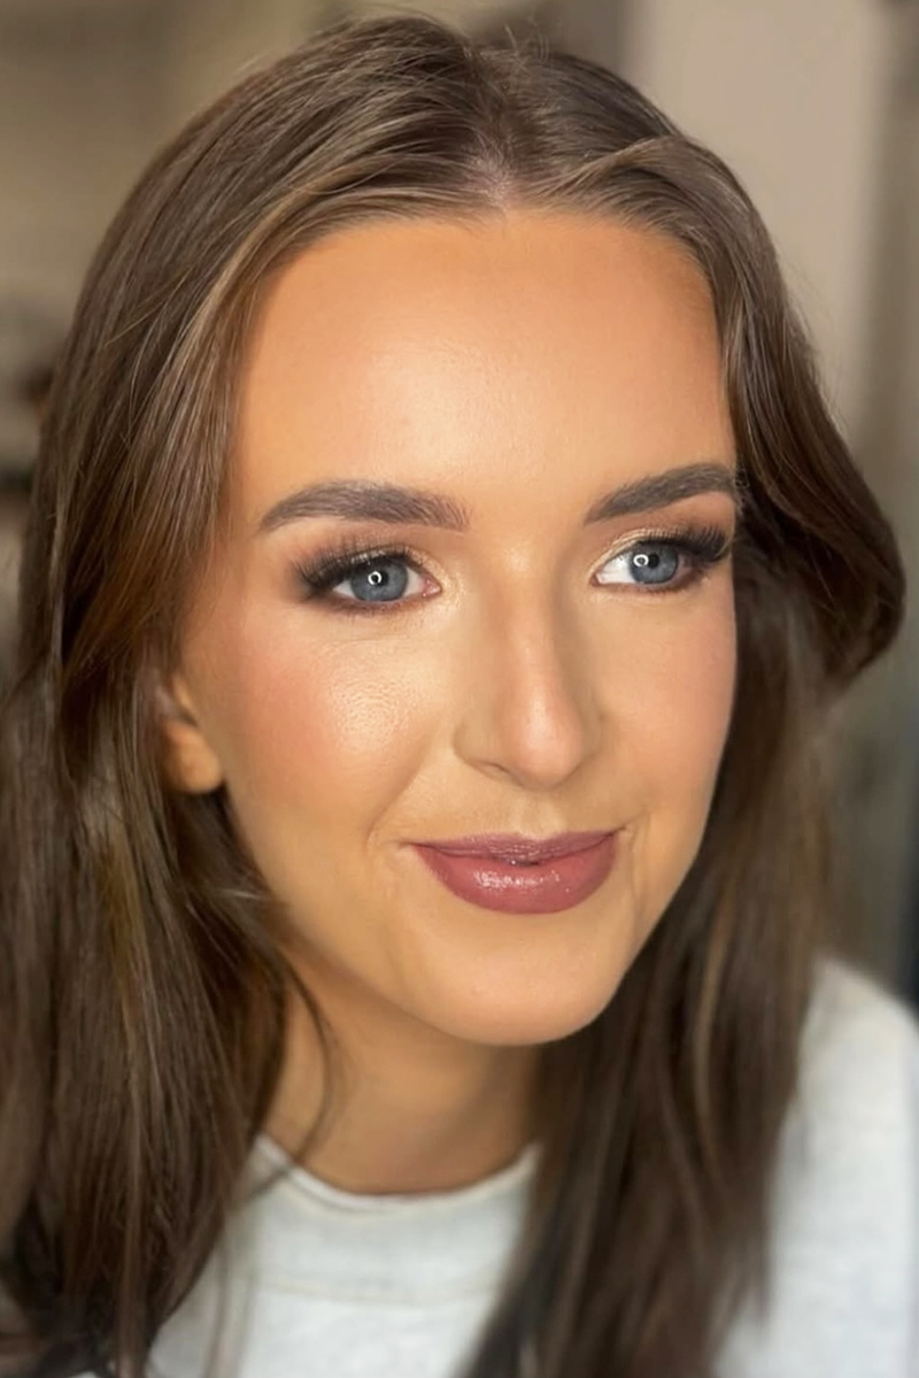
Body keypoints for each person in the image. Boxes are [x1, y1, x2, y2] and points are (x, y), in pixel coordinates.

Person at [0, 13, 916, 1378]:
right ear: (164, 684)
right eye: (376, 576)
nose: (543, 731)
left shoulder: (874, 1153)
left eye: (651, 556)